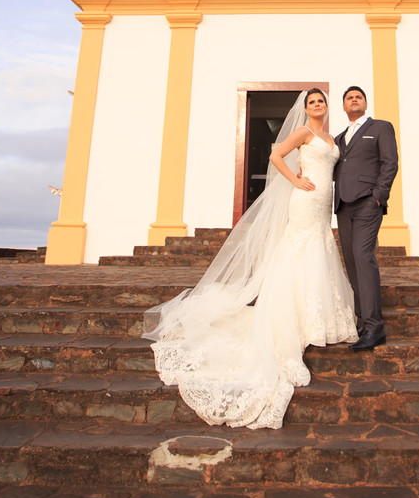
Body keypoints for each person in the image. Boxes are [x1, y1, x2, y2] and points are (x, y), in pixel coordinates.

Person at [141, 89, 358, 429]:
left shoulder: (331, 138)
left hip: (322, 205)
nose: (317, 105)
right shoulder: (303, 132)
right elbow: (276, 155)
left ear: (327, 107)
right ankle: (296, 317)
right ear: (305, 108)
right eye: (312, 102)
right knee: (301, 250)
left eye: (321, 102)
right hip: (304, 200)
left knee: (321, 249)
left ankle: (321, 316)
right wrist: (296, 180)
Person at [333, 86, 398, 350]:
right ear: (344, 106)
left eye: (358, 97)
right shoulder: (338, 139)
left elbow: (390, 163)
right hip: (343, 206)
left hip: (368, 203)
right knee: (351, 263)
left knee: (363, 257)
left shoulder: (381, 127)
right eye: (349, 98)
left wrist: (379, 196)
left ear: (366, 103)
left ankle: (374, 327)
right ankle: (361, 322)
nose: (354, 100)